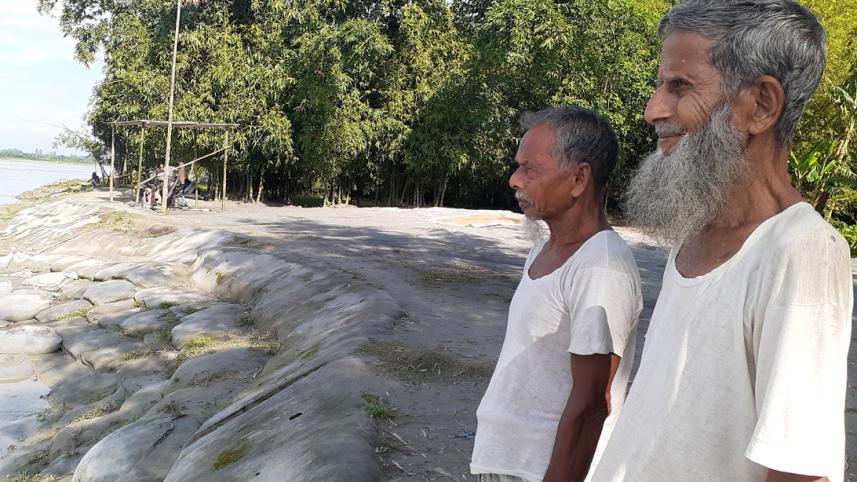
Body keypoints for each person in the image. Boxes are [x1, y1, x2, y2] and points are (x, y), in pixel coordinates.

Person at [591, 2, 853, 482]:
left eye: (680, 86)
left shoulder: (802, 251)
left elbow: (799, 470)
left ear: (761, 106)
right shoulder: (696, 235)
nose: (653, 110)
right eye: (659, 85)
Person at [471, 106, 642, 482]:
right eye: (518, 167)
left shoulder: (600, 268)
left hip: (540, 471)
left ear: (579, 178)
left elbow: (592, 406)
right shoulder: (544, 249)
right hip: (510, 462)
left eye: (530, 169)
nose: (515, 180)